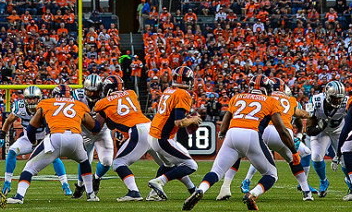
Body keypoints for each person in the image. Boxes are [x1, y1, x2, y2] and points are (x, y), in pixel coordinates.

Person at [182, 76, 297, 210]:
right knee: (271, 175)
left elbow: (227, 117)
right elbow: (282, 130)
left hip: (232, 133)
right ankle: (252, 194)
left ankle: (201, 189)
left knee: (216, 171)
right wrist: (294, 151)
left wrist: (222, 132)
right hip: (251, 134)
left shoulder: (238, 97)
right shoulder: (270, 101)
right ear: (267, 89)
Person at [216, 76, 316, 202]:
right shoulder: (291, 100)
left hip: (263, 131)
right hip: (283, 133)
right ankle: (306, 192)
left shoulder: (264, 98)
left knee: (239, 154)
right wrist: (312, 114)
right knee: (293, 160)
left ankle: (227, 186)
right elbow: (302, 114)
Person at [6, 87, 100, 203]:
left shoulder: (46, 103)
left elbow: (31, 128)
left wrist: (34, 142)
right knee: (84, 161)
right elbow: (94, 127)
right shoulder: (78, 104)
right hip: (75, 138)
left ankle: (19, 196)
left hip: (55, 137)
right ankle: (90, 194)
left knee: (29, 168)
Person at [0, 85, 71, 196]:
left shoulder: (45, 106)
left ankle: (65, 185)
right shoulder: (20, 107)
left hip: (44, 138)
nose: (31, 101)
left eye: (34, 98)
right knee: (12, 151)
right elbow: (8, 121)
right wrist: (2, 136)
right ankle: (7, 183)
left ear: (39, 98)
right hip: (28, 139)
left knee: (54, 157)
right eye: (29, 98)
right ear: (25, 99)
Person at [146, 65, 201, 201]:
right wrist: (193, 119)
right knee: (191, 165)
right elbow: (179, 123)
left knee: (169, 165)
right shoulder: (182, 94)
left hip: (153, 134)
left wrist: (186, 119)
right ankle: (160, 182)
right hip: (162, 138)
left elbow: (172, 116)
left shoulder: (170, 90)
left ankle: (153, 194)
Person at [91, 76, 150, 202]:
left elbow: (98, 127)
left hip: (137, 130)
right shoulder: (132, 93)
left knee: (119, 163)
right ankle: (191, 188)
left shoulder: (102, 103)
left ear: (107, 88)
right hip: (150, 126)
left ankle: (134, 191)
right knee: (167, 162)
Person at [304, 80, 348, 196]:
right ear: (327, 95)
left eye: (340, 98)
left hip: (338, 131)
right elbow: (309, 130)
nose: (338, 101)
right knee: (316, 157)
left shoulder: (347, 102)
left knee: (345, 159)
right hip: (321, 131)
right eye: (334, 98)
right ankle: (323, 181)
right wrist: (319, 127)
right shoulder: (315, 101)